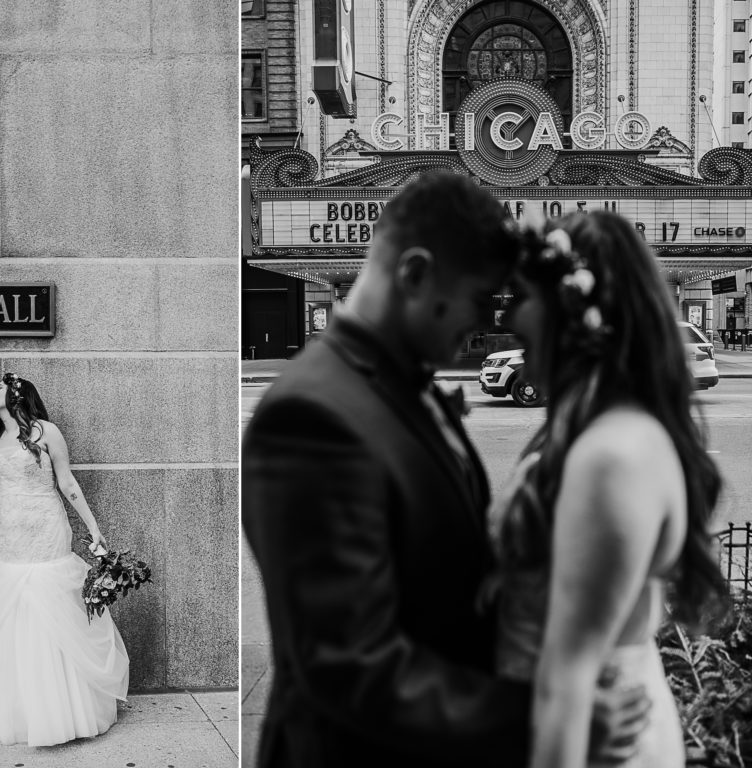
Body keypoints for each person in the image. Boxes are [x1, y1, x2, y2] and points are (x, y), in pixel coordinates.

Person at [241, 172, 648, 768]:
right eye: (482, 298)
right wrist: (545, 716)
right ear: (414, 274)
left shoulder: (407, 382)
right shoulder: (311, 415)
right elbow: (349, 665)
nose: (493, 322)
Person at [492, 209, 730, 768]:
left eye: (521, 297)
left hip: (593, 743)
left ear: (570, 309)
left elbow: (567, 673)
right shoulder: (590, 428)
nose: (508, 320)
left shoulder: (613, 456)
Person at [0, 372, 129, 747]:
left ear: (16, 395)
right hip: (9, 533)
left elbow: (67, 483)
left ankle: (63, 708)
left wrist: (94, 529)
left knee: (49, 601)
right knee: (12, 605)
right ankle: (18, 708)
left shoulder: (46, 432)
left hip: (46, 527)